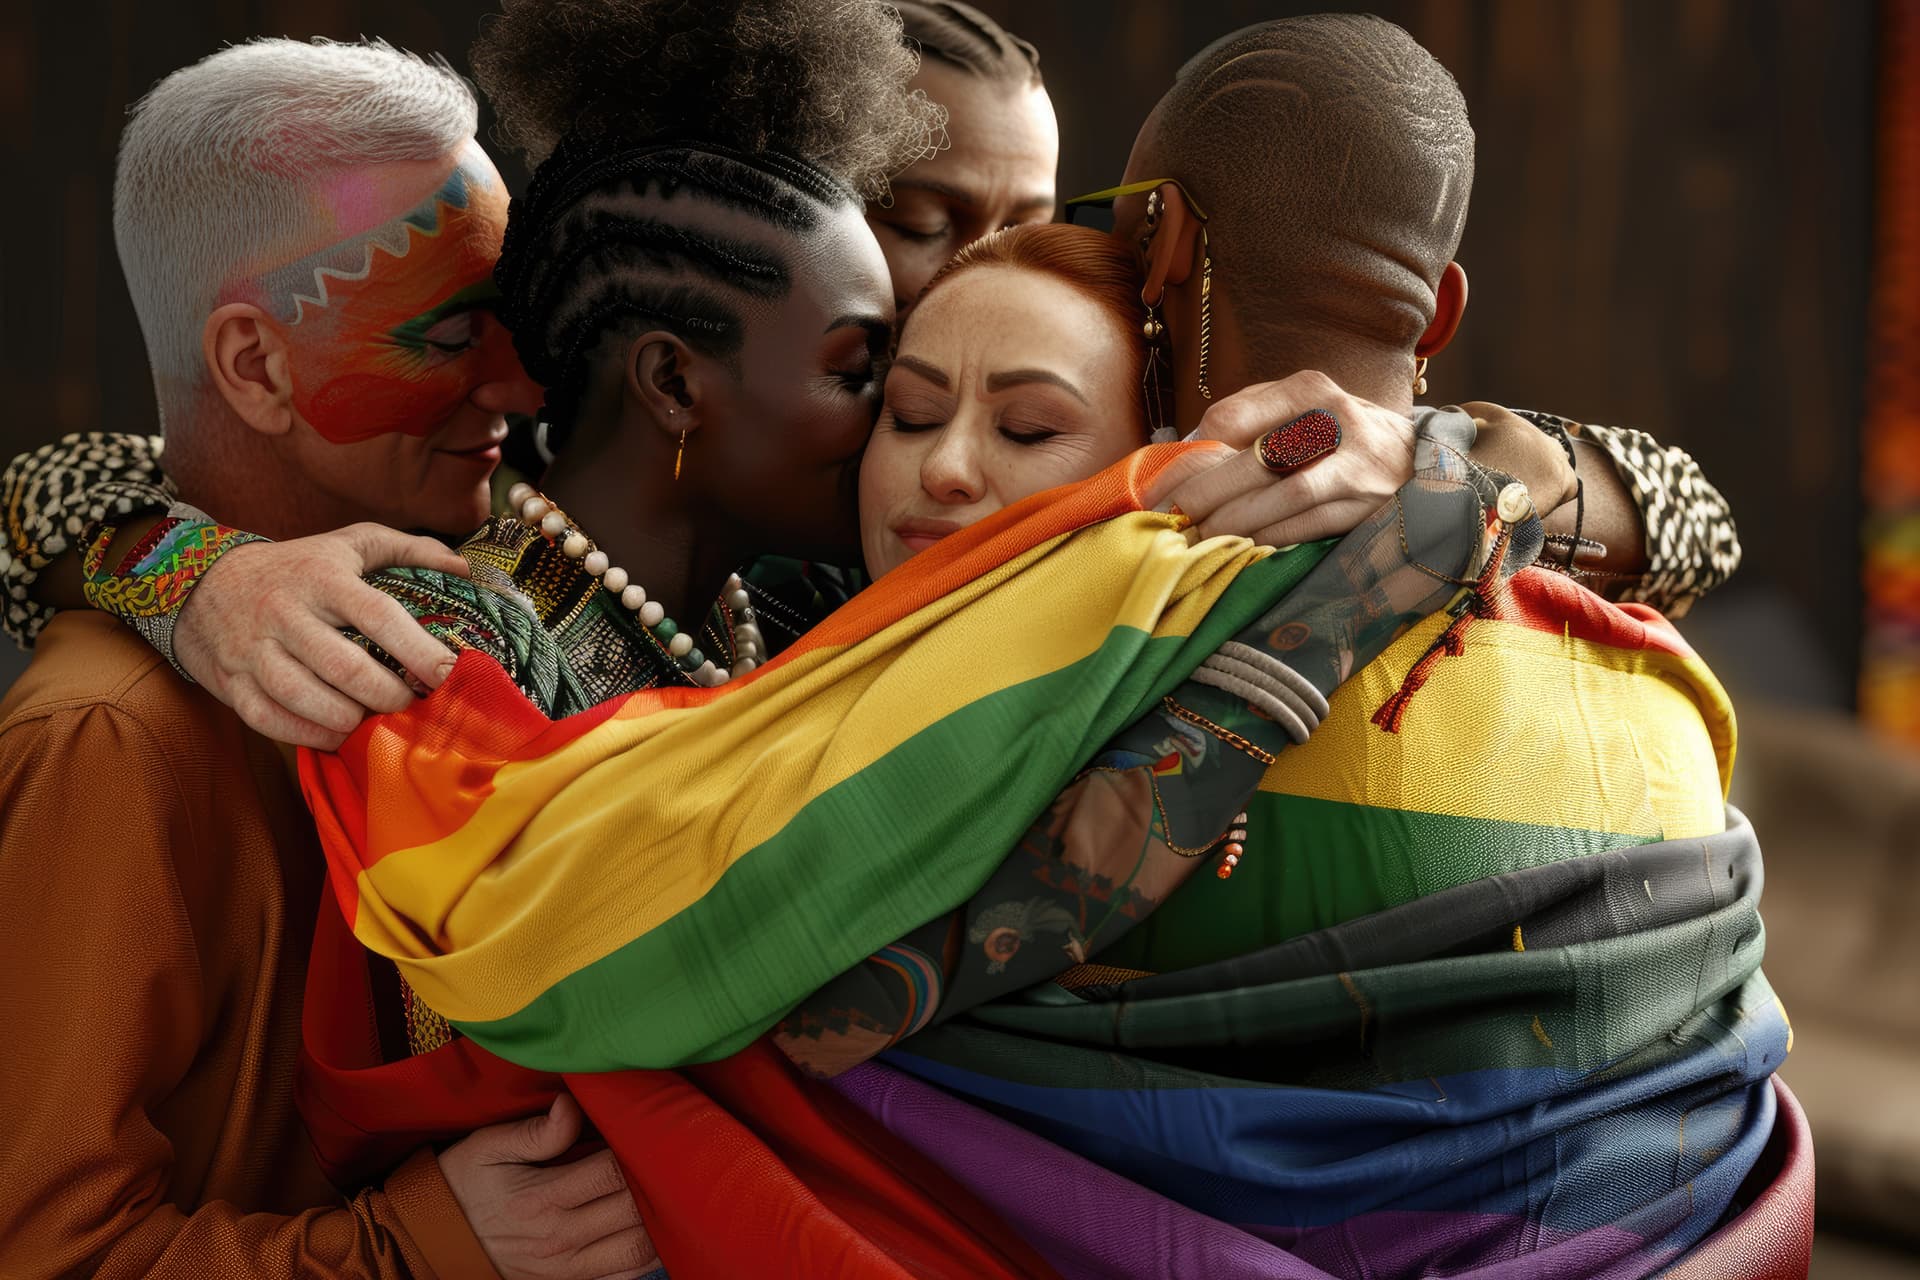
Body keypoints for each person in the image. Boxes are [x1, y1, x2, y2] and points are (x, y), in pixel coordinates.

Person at [0, 39, 654, 1280]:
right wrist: (428, 1241)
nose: (521, 382)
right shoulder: (108, 735)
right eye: (451, 332)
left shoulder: (505, 577)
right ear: (255, 365)